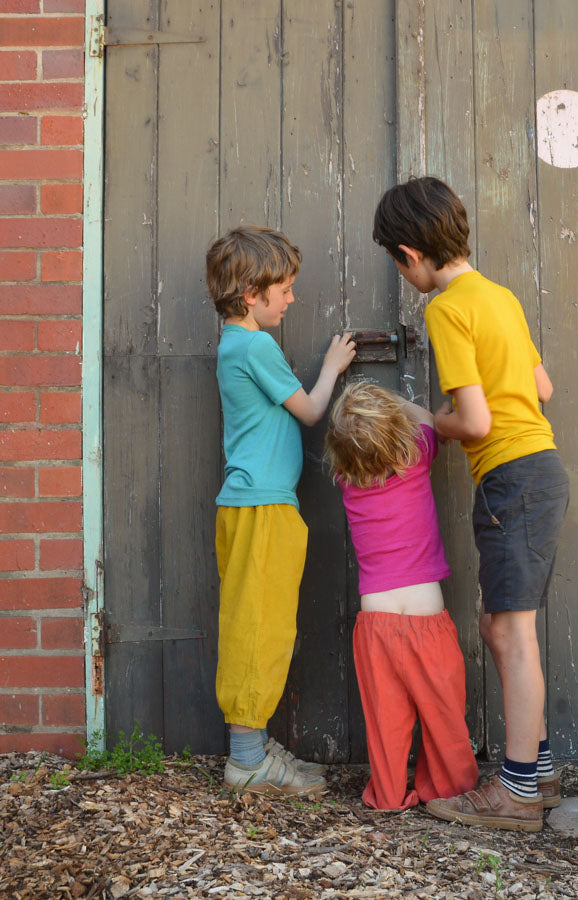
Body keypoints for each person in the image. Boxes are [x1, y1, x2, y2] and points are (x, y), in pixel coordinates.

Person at [373, 177, 569, 832]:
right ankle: (538, 771)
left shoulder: (447, 308)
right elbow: (543, 386)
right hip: (539, 471)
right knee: (500, 626)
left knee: (511, 632)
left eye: (399, 265)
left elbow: (477, 421)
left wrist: (426, 418)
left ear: (410, 255)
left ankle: (516, 793)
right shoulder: (499, 295)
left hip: (511, 477)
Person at [206, 225, 356, 797]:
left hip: (255, 507)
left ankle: (254, 745)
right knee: (259, 628)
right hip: (263, 507)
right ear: (251, 294)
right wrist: (333, 366)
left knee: (256, 621)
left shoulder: (234, 344)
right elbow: (311, 411)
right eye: (285, 289)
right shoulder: (255, 347)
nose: (291, 299)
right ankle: (246, 761)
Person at [325, 381, 479, 810]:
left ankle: (389, 793)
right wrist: (393, 400)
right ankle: (451, 790)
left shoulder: (346, 481)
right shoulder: (418, 455)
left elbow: (354, 444)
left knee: (386, 720)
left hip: (375, 624)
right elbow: (427, 419)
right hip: (425, 620)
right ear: (395, 428)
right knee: (444, 714)